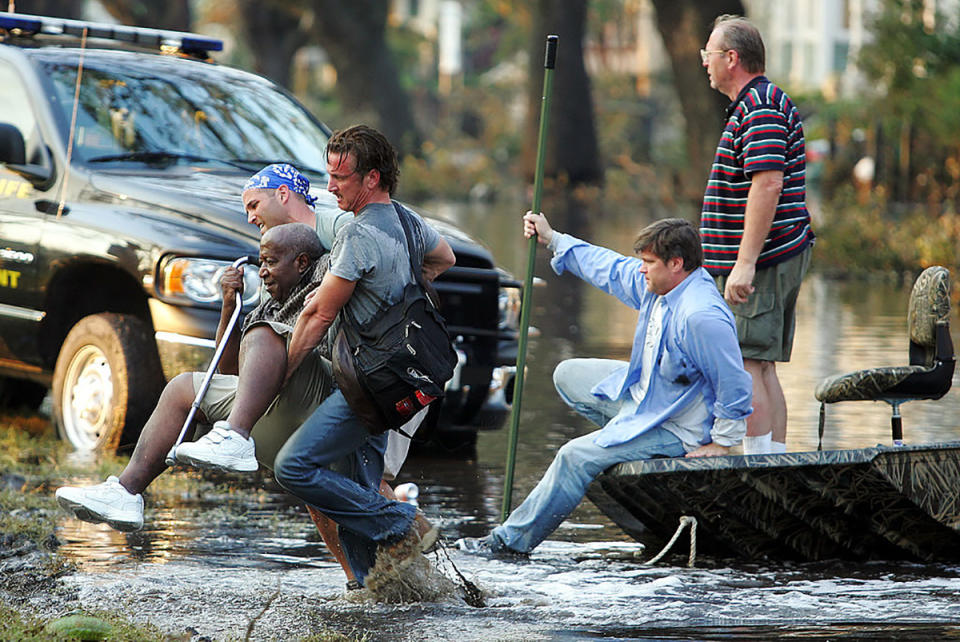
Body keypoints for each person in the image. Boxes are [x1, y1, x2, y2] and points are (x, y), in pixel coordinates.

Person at [55, 164, 414, 590]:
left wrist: (281, 361)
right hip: (290, 400)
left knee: (362, 481)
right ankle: (127, 492)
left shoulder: (335, 239)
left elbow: (390, 250)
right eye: (261, 260)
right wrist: (230, 308)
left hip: (343, 387)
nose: (261, 267)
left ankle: (407, 534)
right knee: (184, 387)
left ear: (283, 196)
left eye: (253, 205)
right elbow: (232, 377)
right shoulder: (271, 289)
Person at [183, 125, 456, 587]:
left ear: (372, 178)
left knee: (295, 467)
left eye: (340, 178)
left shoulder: (356, 235)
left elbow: (317, 317)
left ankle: (403, 522)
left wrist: (278, 379)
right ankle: (381, 587)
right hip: (413, 376)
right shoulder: (409, 222)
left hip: (372, 383)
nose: (329, 187)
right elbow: (444, 258)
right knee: (349, 480)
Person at [456, 215, 752, 556]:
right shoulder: (659, 282)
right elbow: (609, 268)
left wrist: (722, 442)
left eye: (649, 263)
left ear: (676, 263)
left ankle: (509, 543)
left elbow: (734, 383)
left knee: (574, 457)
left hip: (675, 426)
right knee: (567, 374)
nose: (641, 270)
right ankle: (620, 444)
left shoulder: (701, 315)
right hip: (646, 398)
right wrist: (553, 238)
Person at [700, 15, 815, 454]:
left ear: (732, 58)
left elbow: (768, 182)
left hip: (762, 261)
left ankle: (758, 467)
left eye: (708, 54)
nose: (704, 63)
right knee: (761, 366)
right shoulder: (754, 103)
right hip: (770, 257)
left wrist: (743, 263)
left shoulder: (761, 106)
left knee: (747, 363)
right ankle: (772, 462)